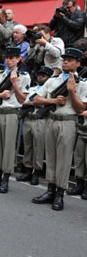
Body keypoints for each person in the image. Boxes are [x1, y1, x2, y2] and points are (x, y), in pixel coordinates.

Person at [31, 48, 87, 211]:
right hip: (51, 119)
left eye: (70, 60)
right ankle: (50, 190)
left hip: (68, 122)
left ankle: (60, 193)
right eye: (64, 59)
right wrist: (54, 100)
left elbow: (80, 108)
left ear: (78, 63)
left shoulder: (82, 83)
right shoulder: (52, 80)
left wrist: (71, 91)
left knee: (63, 158)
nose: (65, 62)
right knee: (51, 156)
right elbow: (36, 99)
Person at [0, 46, 30, 194]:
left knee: (8, 147)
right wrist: (0, 95)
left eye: (12, 58)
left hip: (11, 113)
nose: (9, 61)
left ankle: (6, 178)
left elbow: (23, 100)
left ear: (18, 59)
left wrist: (15, 83)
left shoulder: (24, 76)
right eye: (7, 58)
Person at [16, 66, 53, 185]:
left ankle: (36, 172)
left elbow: (45, 104)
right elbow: (25, 102)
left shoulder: (50, 91)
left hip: (40, 119)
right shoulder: (32, 89)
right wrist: (33, 103)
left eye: (44, 76)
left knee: (38, 147)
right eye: (40, 75)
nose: (41, 77)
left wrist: (34, 102)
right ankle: (27, 170)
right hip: (29, 118)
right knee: (28, 145)